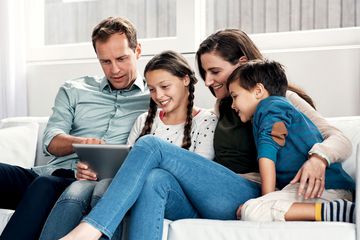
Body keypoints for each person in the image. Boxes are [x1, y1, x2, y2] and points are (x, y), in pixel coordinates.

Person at [60, 29, 352, 240]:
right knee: (155, 179)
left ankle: (90, 230)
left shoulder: (279, 98)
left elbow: (339, 138)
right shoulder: (223, 106)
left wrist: (318, 158)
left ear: (241, 63)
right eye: (204, 73)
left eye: (214, 71)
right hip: (217, 193)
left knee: (151, 145)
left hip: (249, 193)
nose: (209, 81)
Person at [39, 50, 218, 239]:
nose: (159, 95)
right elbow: (126, 166)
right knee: (79, 188)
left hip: (176, 198)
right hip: (133, 189)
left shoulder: (206, 121)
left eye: (165, 86)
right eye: (152, 89)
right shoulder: (143, 120)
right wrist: (91, 170)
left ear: (185, 80)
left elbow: (197, 179)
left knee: (125, 184)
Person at [0, 16, 150, 240]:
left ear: (137, 50)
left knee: (45, 186)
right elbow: (50, 141)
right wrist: (82, 144)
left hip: (80, 184)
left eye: (122, 58)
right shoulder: (75, 89)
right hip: (45, 174)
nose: (115, 69)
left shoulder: (155, 97)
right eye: (105, 62)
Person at [226, 59, 355, 223]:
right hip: (322, 189)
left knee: (253, 210)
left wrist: (266, 199)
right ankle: (332, 210)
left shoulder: (269, 107)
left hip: (326, 188)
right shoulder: (278, 108)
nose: (232, 105)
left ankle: (339, 212)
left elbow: (267, 155)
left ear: (258, 91)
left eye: (235, 96)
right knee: (251, 208)